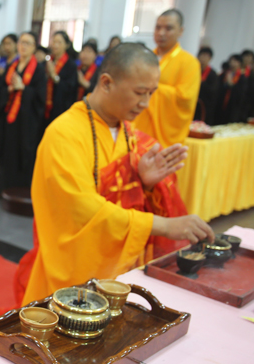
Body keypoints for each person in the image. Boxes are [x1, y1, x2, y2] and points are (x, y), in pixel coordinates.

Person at [15, 43, 213, 304]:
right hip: (72, 285)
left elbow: (125, 198)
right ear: (106, 82)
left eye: (152, 93)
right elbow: (81, 212)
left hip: (121, 275)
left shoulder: (132, 135)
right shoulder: (64, 135)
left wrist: (144, 184)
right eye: (139, 92)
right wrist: (162, 225)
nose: (146, 103)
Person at [132, 9, 200, 149]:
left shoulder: (189, 63)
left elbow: (184, 98)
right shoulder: (144, 58)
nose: (161, 33)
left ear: (181, 31)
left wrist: (147, 89)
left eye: (168, 28)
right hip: (136, 127)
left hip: (163, 136)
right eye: (158, 27)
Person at [0, 32, 47, 191]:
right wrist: (10, 89)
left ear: (33, 48)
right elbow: (1, 88)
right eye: (21, 42)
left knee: (22, 152)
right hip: (9, 116)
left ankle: (19, 189)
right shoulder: (12, 66)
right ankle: (4, 186)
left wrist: (24, 89)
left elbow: (40, 97)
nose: (23, 46)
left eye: (27, 43)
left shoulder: (38, 70)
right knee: (7, 150)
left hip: (26, 120)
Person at [45, 31, 79, 121]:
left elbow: (70, 88)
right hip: (46, 104)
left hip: (60, 107)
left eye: (59, 42)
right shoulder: (48, 61)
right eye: (54, 41)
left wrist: (54, 76)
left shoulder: (70, 65)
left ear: (66, 45)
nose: (55, 45)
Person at [219, 54, 248, 123]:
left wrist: (231, 85)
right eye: (231, 61)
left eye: (235, 61)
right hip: (221, 105)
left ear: (240, 64)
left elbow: (241, 94)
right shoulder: (224, 74)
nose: (232, 63)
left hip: (233, 107)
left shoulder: (242, 77)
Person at [196, 46, 219, 124]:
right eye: (202, 55)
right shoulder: (193, 70)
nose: (203, 58)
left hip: (205, 107)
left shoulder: (213, 74)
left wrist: (201, 83)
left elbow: (213, 91)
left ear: (210, 59)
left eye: (206, 56)